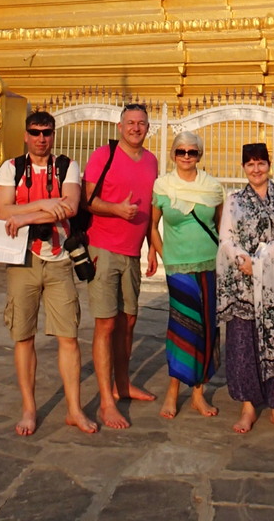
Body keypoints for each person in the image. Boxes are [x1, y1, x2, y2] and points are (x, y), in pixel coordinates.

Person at [0, 109, 97, 436]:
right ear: (26, 135)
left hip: (59, 258)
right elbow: (2, 210)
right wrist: (43, 206)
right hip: (22, 259)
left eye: (47, 133)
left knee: (68, 336)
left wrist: (24, 216)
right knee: (23, 336)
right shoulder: (11, 168)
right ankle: (29, 408)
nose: (41, 139)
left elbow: (70, 207)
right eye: (35, 132)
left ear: (53, 135)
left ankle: (74, 409)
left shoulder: (67, 166)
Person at [217, 142, 274, 435]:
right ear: (244, 167)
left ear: (269, 164)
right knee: (243, 344)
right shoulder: (235, 200)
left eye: (261, 163)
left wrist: (260, 263)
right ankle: (248, 406)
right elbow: (227, 238)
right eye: (250, 164)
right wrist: (242, 259)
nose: (256, 169)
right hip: (244, 281)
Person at [83, 102, 159, 429]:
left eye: (141, 123)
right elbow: (88, 200)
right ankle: (105, 401)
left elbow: (152, 210)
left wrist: (152, 249)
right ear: (120, 126)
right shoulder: (104, 155)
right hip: (103, 248)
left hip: (132, 251)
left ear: (148, 128)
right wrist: (116, 210)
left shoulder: (152, 161)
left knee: (128, 320)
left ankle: (122, 383)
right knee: (106, 323)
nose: (136, 128)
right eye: (130, 123)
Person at [151, 130, 224, 420]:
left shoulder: (213, 188)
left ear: (199, 155)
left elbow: (220, 227)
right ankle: (173, 390)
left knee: (207, 327)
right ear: (173, 154)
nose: (186, 156)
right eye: (181, 151)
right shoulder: (163, 186)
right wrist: (163, 255)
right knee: (182, 326)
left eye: (192, 152)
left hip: (209, 265)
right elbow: (152, 226)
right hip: (178, 267)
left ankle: (198, 393)